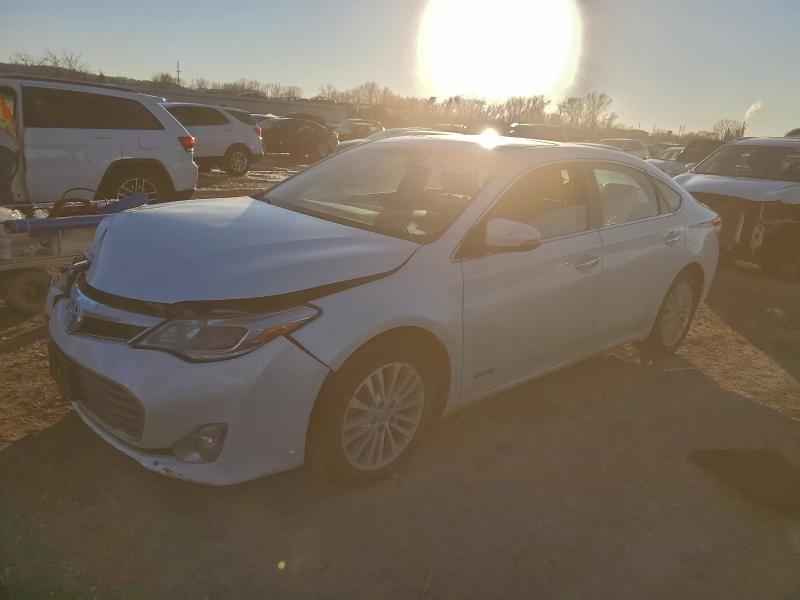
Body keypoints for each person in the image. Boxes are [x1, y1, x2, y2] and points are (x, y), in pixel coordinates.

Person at [0, 92, 20, 205]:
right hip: (7, 147)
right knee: (4, 183)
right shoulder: (5, 104)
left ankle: (7, 210)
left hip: (3, 148)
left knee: (3, 182)